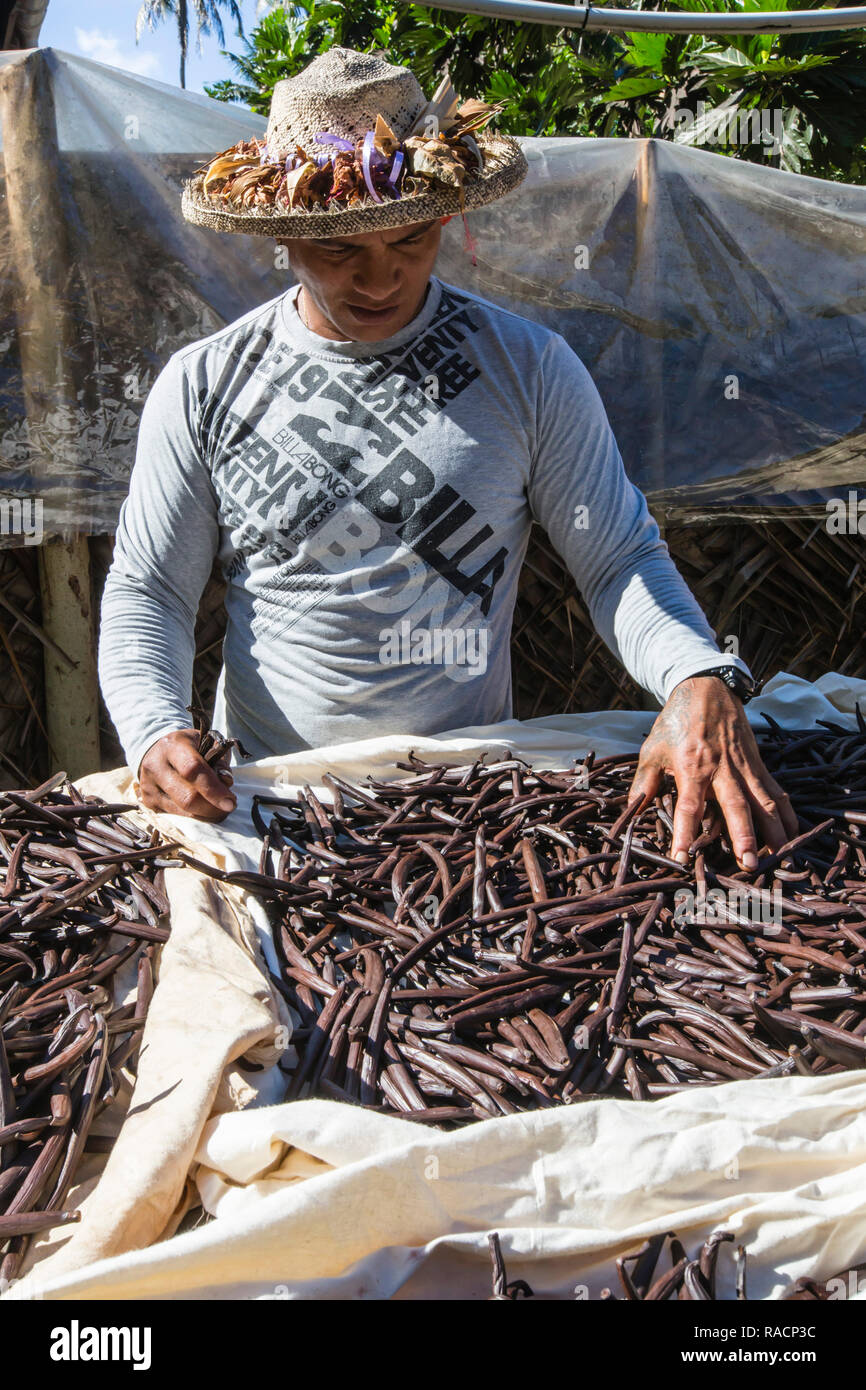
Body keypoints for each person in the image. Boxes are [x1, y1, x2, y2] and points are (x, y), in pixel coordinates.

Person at [98, 46, 797, 869]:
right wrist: (152, 731)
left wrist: (693, 674)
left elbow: (617, 558)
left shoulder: (528, 369)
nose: (381, 278)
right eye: (341, 251)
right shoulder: (206, 384)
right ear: (283, 232)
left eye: (411, 240)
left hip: (466, 803)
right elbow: (151, 589)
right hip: (266, 799)